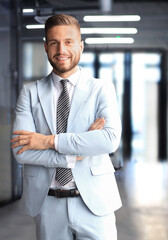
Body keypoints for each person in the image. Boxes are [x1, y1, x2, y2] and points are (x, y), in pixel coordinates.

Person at [10, 14, 122, 240]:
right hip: (48, 204)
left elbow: (109, 140)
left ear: (80, 46)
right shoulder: (30, 93)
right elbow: (21, 152)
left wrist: (47, 141)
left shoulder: (102, 89)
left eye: (69, 42)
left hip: (95, 203)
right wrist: (76, 152)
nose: (62, 49)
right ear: (46, 47)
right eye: (54, 42)